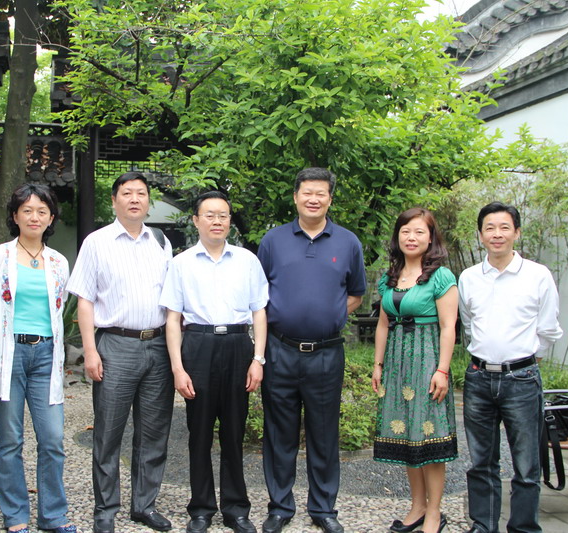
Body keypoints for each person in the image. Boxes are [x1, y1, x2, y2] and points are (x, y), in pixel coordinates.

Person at [257, 167, 367, 533]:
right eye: (307, 192)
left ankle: (323, 509)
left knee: (324, 434)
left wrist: (330, 314)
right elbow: (258, 296)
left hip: (326, 354)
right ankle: (279, 507)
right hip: (280, 351)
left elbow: (356, 294)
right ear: (295, 197)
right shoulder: (273, 241)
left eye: (321, 193)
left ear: (330, 199)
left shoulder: (348, 242)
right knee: (279, 434)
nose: (313, 199)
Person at [66, 172, 174, 533]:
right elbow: (84, 300)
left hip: (158, 344)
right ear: (114, 201)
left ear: (148, 201)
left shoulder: (161, 242)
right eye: (127, 193)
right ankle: (105, 509)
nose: (135, 199)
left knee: (154, 432)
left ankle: (144, 505)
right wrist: (90, 351)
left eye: (141, 193)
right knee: (108, 432)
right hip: (115, 345)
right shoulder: (97, 242)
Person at [160, 191, 269, 533]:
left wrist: (258, 359)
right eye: (209, 215)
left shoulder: (247, 261)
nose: (217, 221)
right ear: (196, 220)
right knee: (200, 433)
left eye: (223, 215)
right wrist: (178, 368)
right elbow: (173, 319)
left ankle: (236, 509)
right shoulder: (181, 263)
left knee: (234, 432)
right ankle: (201, 509)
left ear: (230, 221)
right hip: (198, 346)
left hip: (238, 346)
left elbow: (259, 312)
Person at [0, 183, 76, 533]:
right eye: (27, 210)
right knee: (10, 439)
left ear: (51, 218)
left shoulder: (58, 262)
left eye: (42, 211)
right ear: (15, 216)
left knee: (52, 438)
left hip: (46, 355)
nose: (34, 217)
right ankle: (15, 516)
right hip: (9, 355)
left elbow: (58, 311)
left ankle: (53, 516)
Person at [458, 202, 563, 533]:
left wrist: (527, 361)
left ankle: (523, 527)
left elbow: (548, 330)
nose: (497, 234)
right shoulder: (469, 277)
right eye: (489, 228)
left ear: (516, 232)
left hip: (522, 378)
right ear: (480, 235)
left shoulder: (537, 275)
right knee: (481, 461)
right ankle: (483, 525)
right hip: (478, 378)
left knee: (526, 464)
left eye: (504, 227)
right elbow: (469, 325)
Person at [371, 208, 458, 533]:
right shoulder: (389, 277)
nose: (411, 237)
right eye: (406, 231)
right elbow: (383, 324)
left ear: (431, 238)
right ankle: (417, 506)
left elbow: (448, 327)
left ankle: (434, 512)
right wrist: (378, 365)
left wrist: (442, 370)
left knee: (429, 438)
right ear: (398, 236)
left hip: (427, 362)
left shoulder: (441, 276)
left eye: (419, 232)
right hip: (397, 366)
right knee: (407, 437)